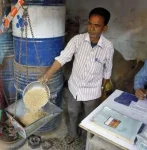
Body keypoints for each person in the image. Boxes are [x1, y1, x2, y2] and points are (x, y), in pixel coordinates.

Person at [39, 7, 113, 144]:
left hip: (92, 91)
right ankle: (72, 133)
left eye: (97, 25)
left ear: (105, 28)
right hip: (74, 87)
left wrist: (102, 91)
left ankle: (86, 137)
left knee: (89, 116)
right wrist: (47, 75)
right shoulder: (77, 40)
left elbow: (107, 71)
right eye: (90, 24)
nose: (91, 28)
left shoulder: (108, 47)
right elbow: (62, 58)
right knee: (72, 113)